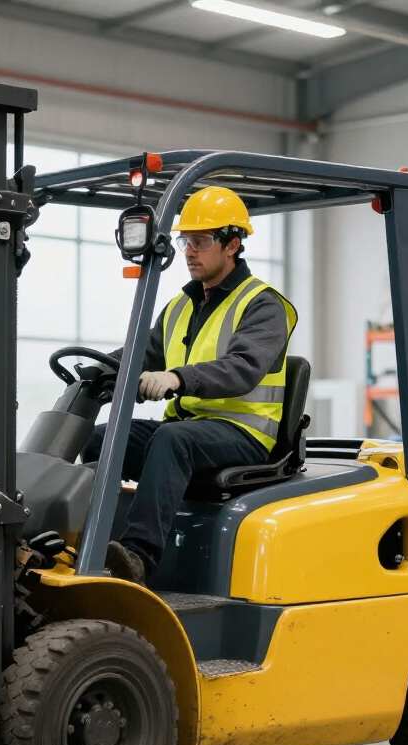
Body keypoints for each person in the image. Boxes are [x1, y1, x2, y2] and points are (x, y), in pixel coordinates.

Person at [82, 185, 297, 585]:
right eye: (185, 241)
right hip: (192, 429)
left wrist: (178, 378)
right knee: (99, 439)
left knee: (172, 441)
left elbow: (242, 368)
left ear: (233, 244)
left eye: (200, 241)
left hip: (245, 434)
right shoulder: (182, 304)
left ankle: (137, 559)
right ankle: (87, 547)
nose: (189, 252)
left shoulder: (264, 304)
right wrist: (96, 370)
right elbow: (141, 353)